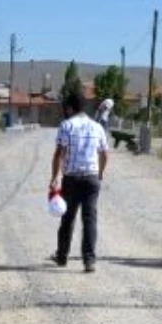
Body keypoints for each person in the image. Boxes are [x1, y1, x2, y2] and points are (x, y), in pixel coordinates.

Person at [49, 91, 109, 273]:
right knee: (90, 219)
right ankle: (89, 261)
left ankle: (62, 256)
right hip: (91, 178)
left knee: (68, 218)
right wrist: (100, 173)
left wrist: (55, 177)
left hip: (72, 178)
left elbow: (59, 153)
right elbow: (105, 154)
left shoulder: (67, 125)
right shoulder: (97, 127)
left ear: (69, 108)